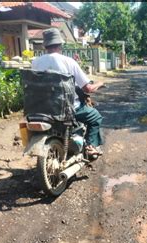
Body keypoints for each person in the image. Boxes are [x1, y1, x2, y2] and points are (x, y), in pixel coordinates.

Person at [32, 28, 105, 156]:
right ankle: (91, 146)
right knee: (96, 117)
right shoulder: (69, 62)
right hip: (67, 109)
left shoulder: (35, 62)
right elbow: (87, 89)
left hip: (42, 109)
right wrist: (100, 83)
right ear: (60, 44)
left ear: (45, 45)